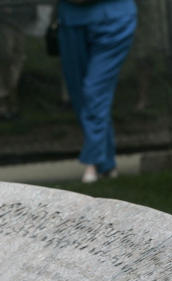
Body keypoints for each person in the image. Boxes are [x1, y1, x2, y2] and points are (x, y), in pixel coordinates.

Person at [56, 0, 137, 183]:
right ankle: (107, 164)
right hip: (71, 19)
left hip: (114, 18)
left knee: (94, 90)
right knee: (80, 96)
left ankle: (92, 162)